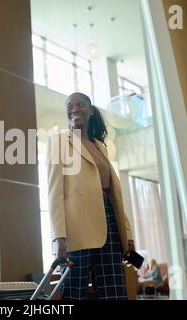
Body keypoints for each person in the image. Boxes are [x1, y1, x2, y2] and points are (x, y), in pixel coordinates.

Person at [47, 92, 135, 300]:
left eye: (80, 104)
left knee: (114, 291)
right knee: (74, 293)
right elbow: (54, 193)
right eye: (70, 106)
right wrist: (59, 237)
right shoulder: (59, 141)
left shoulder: (100, 146)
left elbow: (116, 194)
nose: (74, 108)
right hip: (77, 230)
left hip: (110, 224)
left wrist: (127, 233)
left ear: (91, 110)